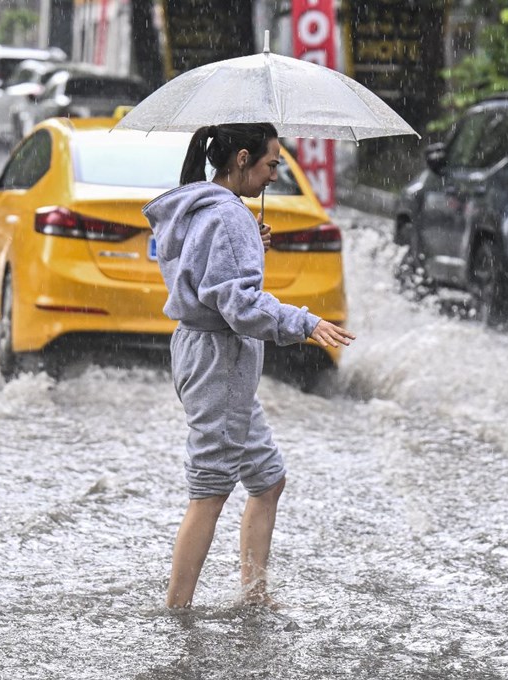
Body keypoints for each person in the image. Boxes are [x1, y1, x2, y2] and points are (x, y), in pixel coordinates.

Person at [142, 123, 355, 609]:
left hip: (209, 354)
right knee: (210, 489)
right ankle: (176, 612)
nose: (275, 174)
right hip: (220, 358)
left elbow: (204, 272)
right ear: (242, 159)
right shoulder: (226, 216)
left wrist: (248, 244)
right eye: (271, 163)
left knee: (267, 477)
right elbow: (238, 305)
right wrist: (304, 322)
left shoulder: (202, 205)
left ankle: (254, 596)